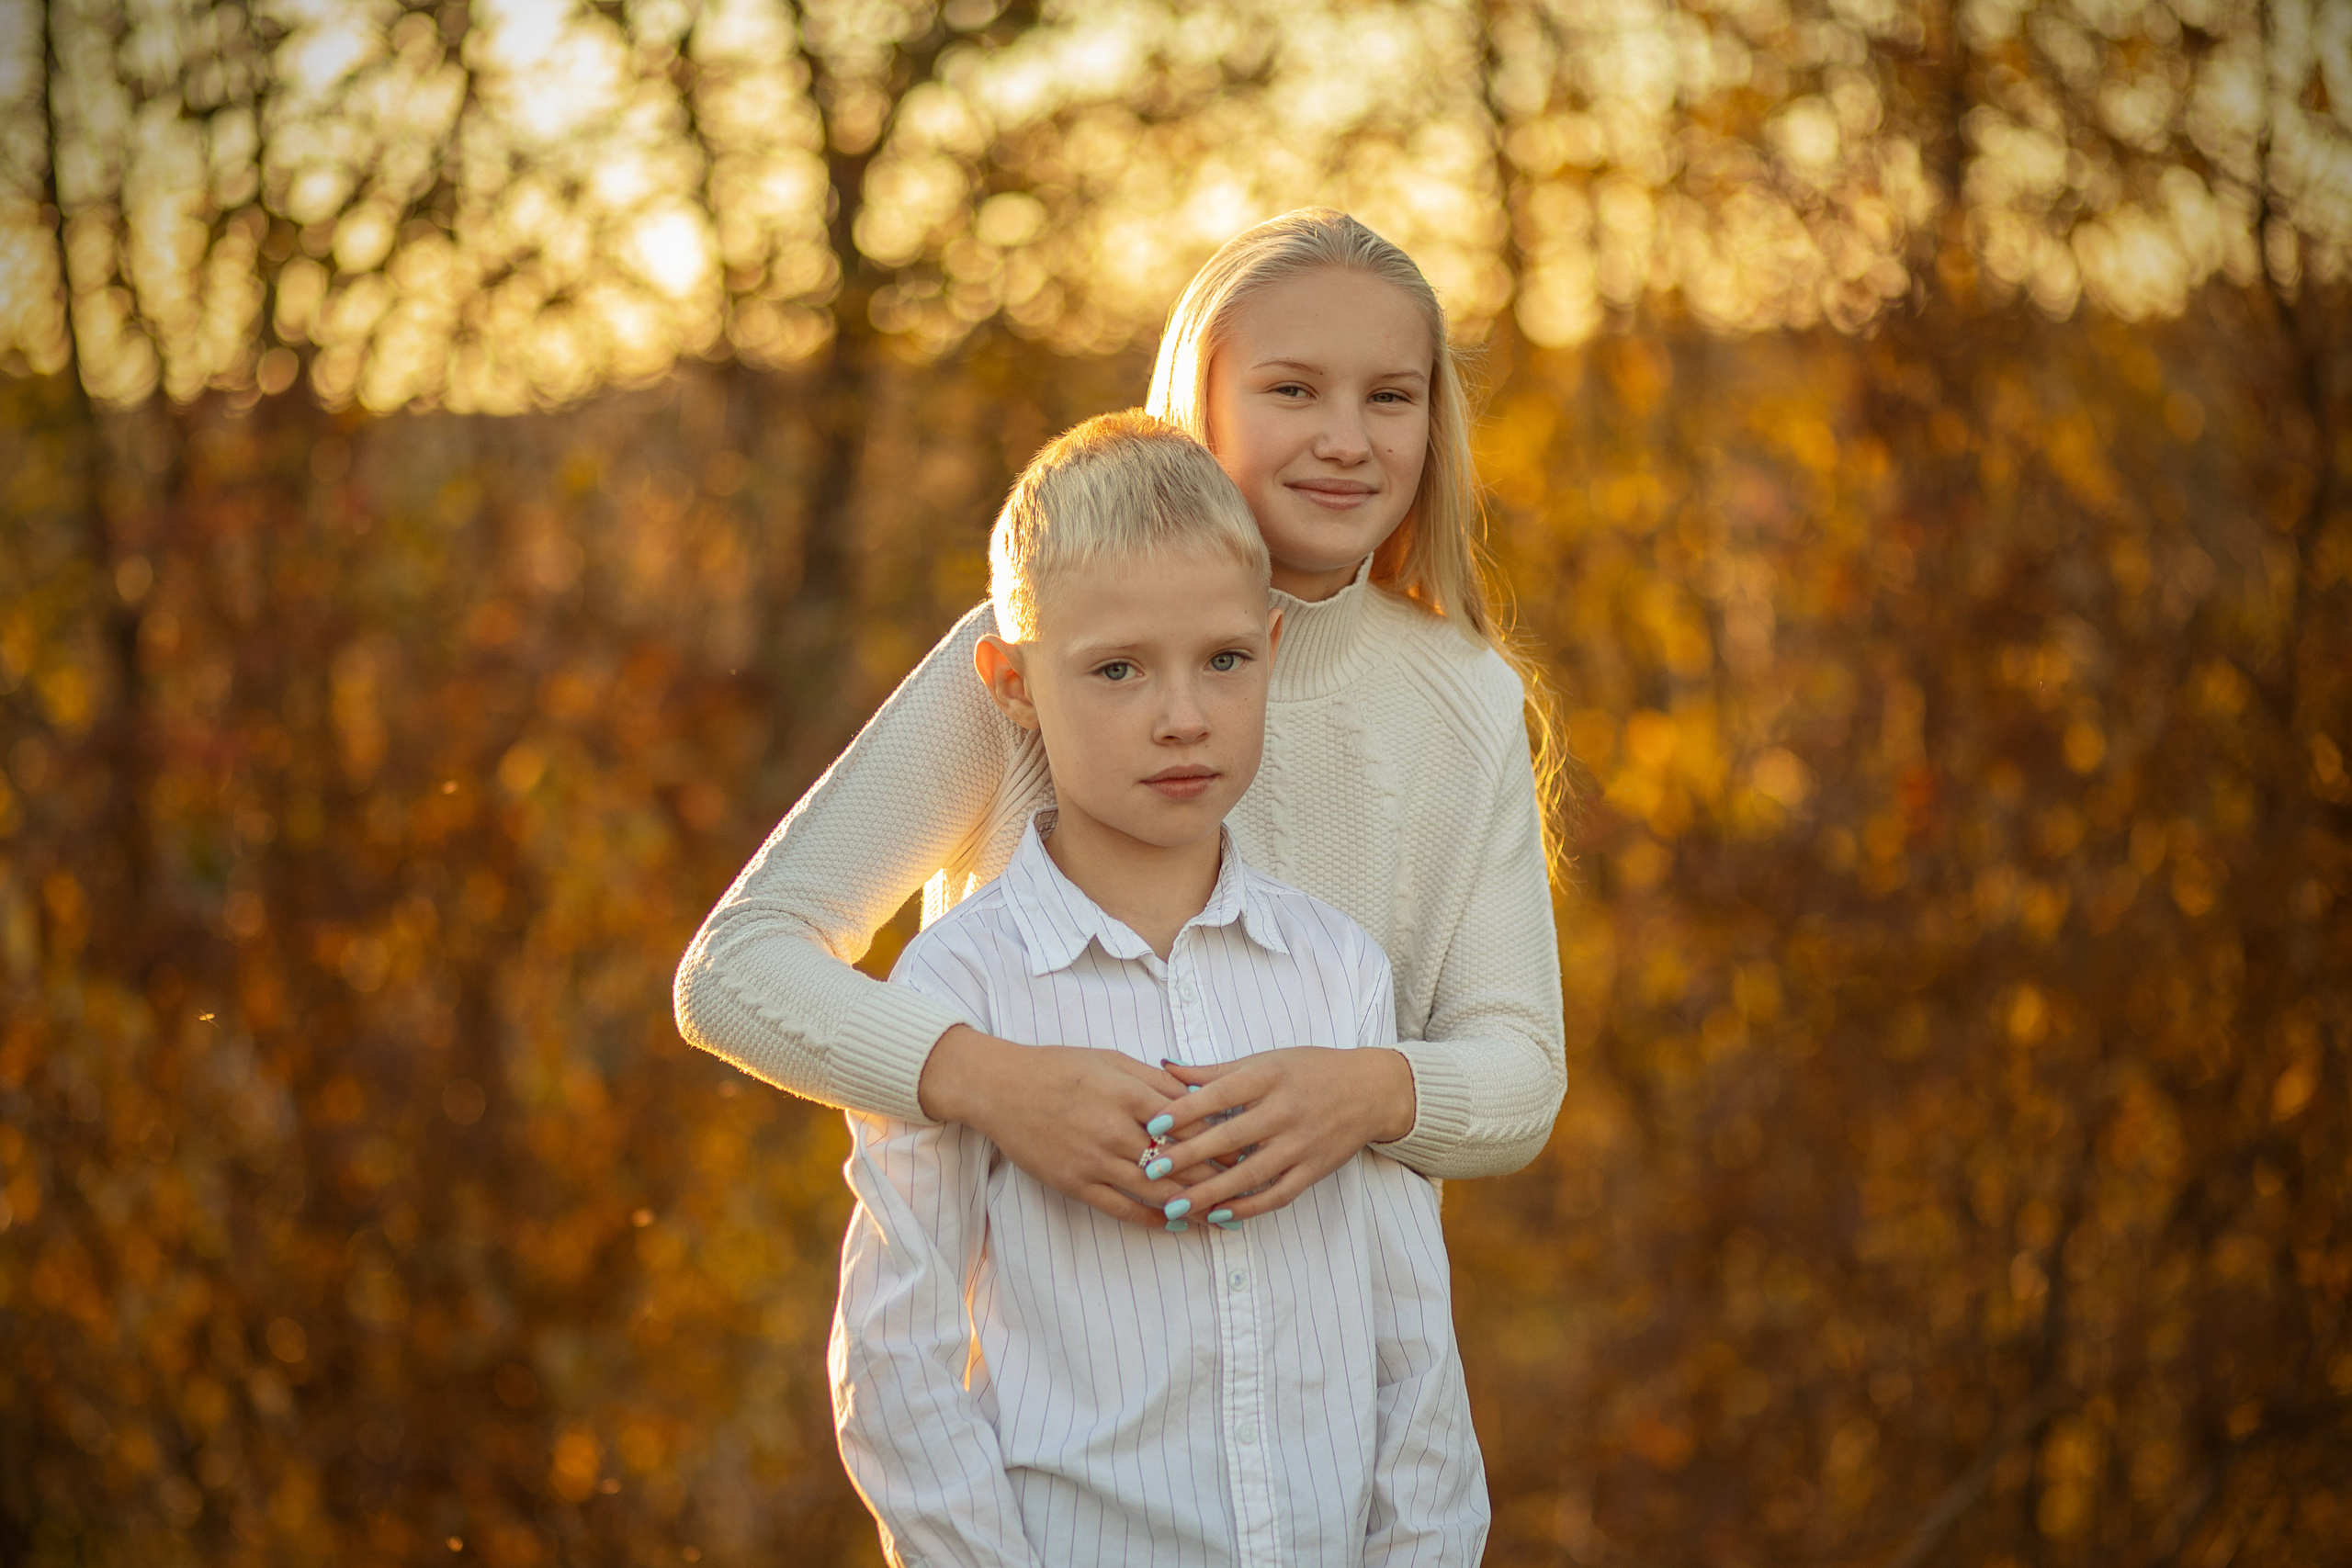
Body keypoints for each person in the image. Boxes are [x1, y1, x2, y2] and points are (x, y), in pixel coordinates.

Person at [675, 206, 1563, 1228]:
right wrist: (990, 1083)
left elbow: (1521, 1070)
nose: (1346, 439)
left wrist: (1365, 1092)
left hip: (1323, 1349)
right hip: (1051, 1348)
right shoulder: (1042, 652)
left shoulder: (1463, 697)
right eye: (1292, 389)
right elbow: (737, 969)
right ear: (1201, 406)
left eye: (1391, 397)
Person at [831, 411, 1485, 1565]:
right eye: (1117, 670)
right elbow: (895, 1368)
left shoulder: (1336, 972)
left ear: (1271, 653)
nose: (1182, 715)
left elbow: (1413, 1352)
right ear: (1014, 681)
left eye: (1223, 661)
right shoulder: (957, 988)